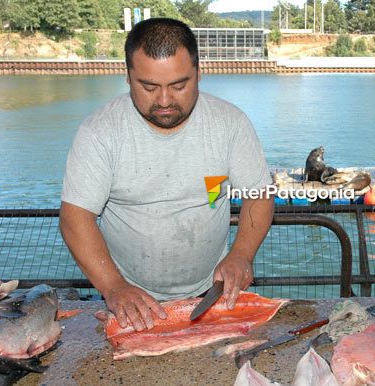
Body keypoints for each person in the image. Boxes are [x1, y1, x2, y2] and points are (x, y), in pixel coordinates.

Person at [59, 18, 274, 332]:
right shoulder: (99, 132)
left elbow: (258, 196)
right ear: (128, 77)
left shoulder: (231, 123)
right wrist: (114, 287)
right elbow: (75, 217)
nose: (163, 101)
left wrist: (241, 253)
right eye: (148, 87)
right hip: (126, 296)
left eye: (178, 85)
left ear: (199, 74)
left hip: (211, 290)